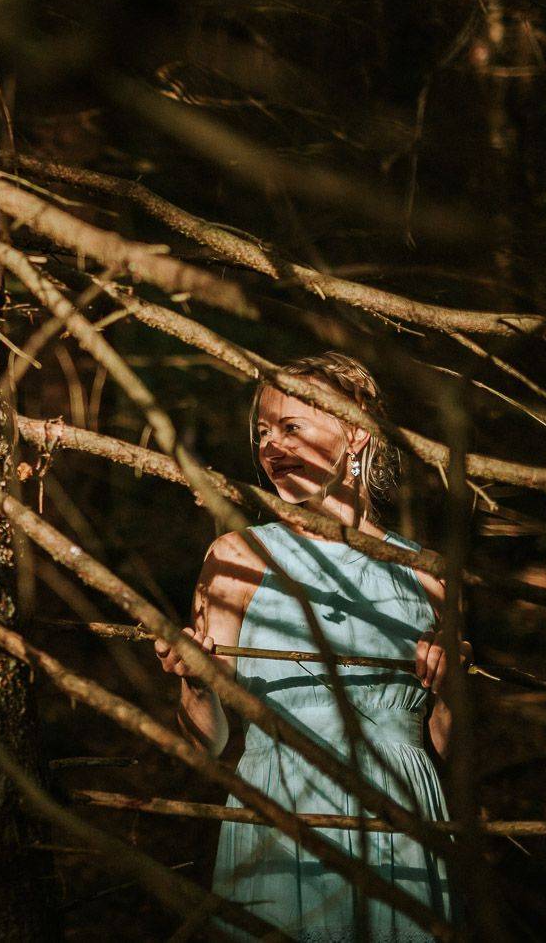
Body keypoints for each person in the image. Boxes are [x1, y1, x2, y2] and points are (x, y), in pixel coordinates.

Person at [154, 352, 461, 941]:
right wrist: (195, 682)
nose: (271, 446)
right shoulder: (237, 559)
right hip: (281, 817)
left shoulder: (427, 575)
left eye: (290, 426)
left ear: (354, 428)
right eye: (263, 432)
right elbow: (207, 743)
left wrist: (449, 694)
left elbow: (449, 751)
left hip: (405, 822)